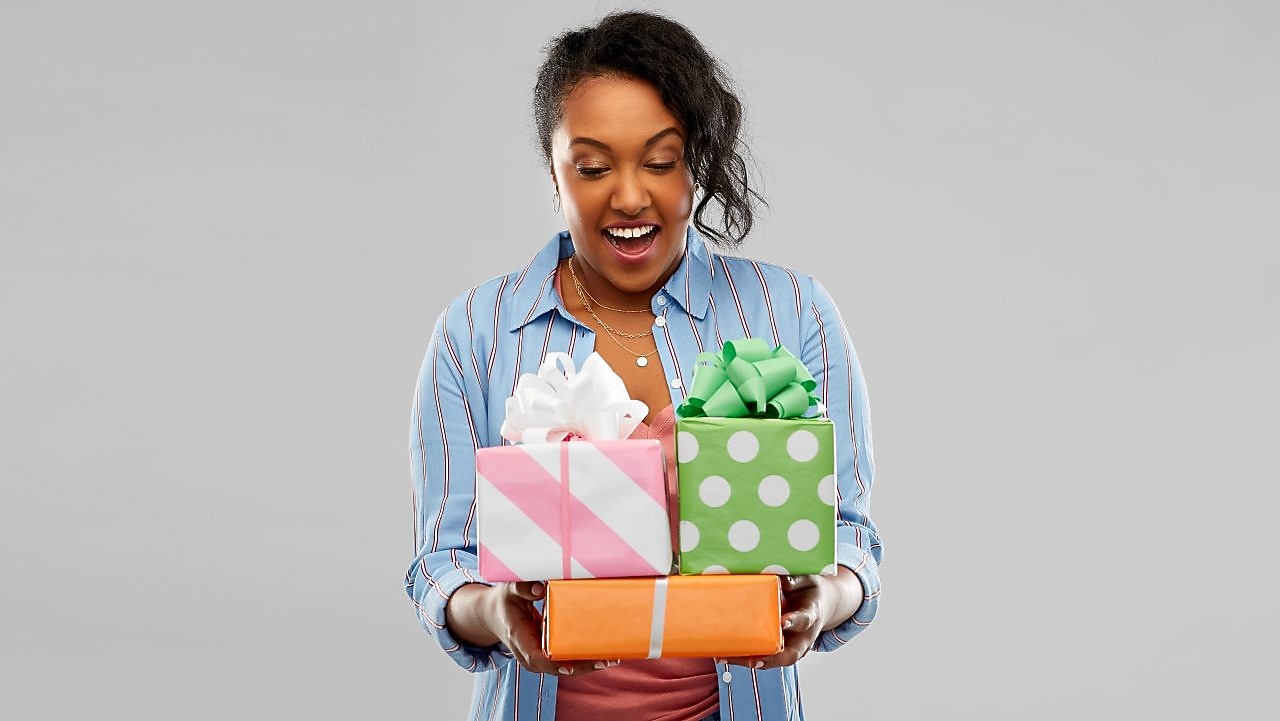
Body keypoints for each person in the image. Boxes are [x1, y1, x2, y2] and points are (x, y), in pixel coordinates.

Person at [406, 11, 882, 721]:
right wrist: (495, 611)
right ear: (553, 173)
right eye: (593, 167)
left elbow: (848, 534)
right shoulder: (474, 332)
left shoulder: (793, 312)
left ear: (698, 164)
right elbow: (441, 564)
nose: (629, 196)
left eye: (660, 162)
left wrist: (828, 596)